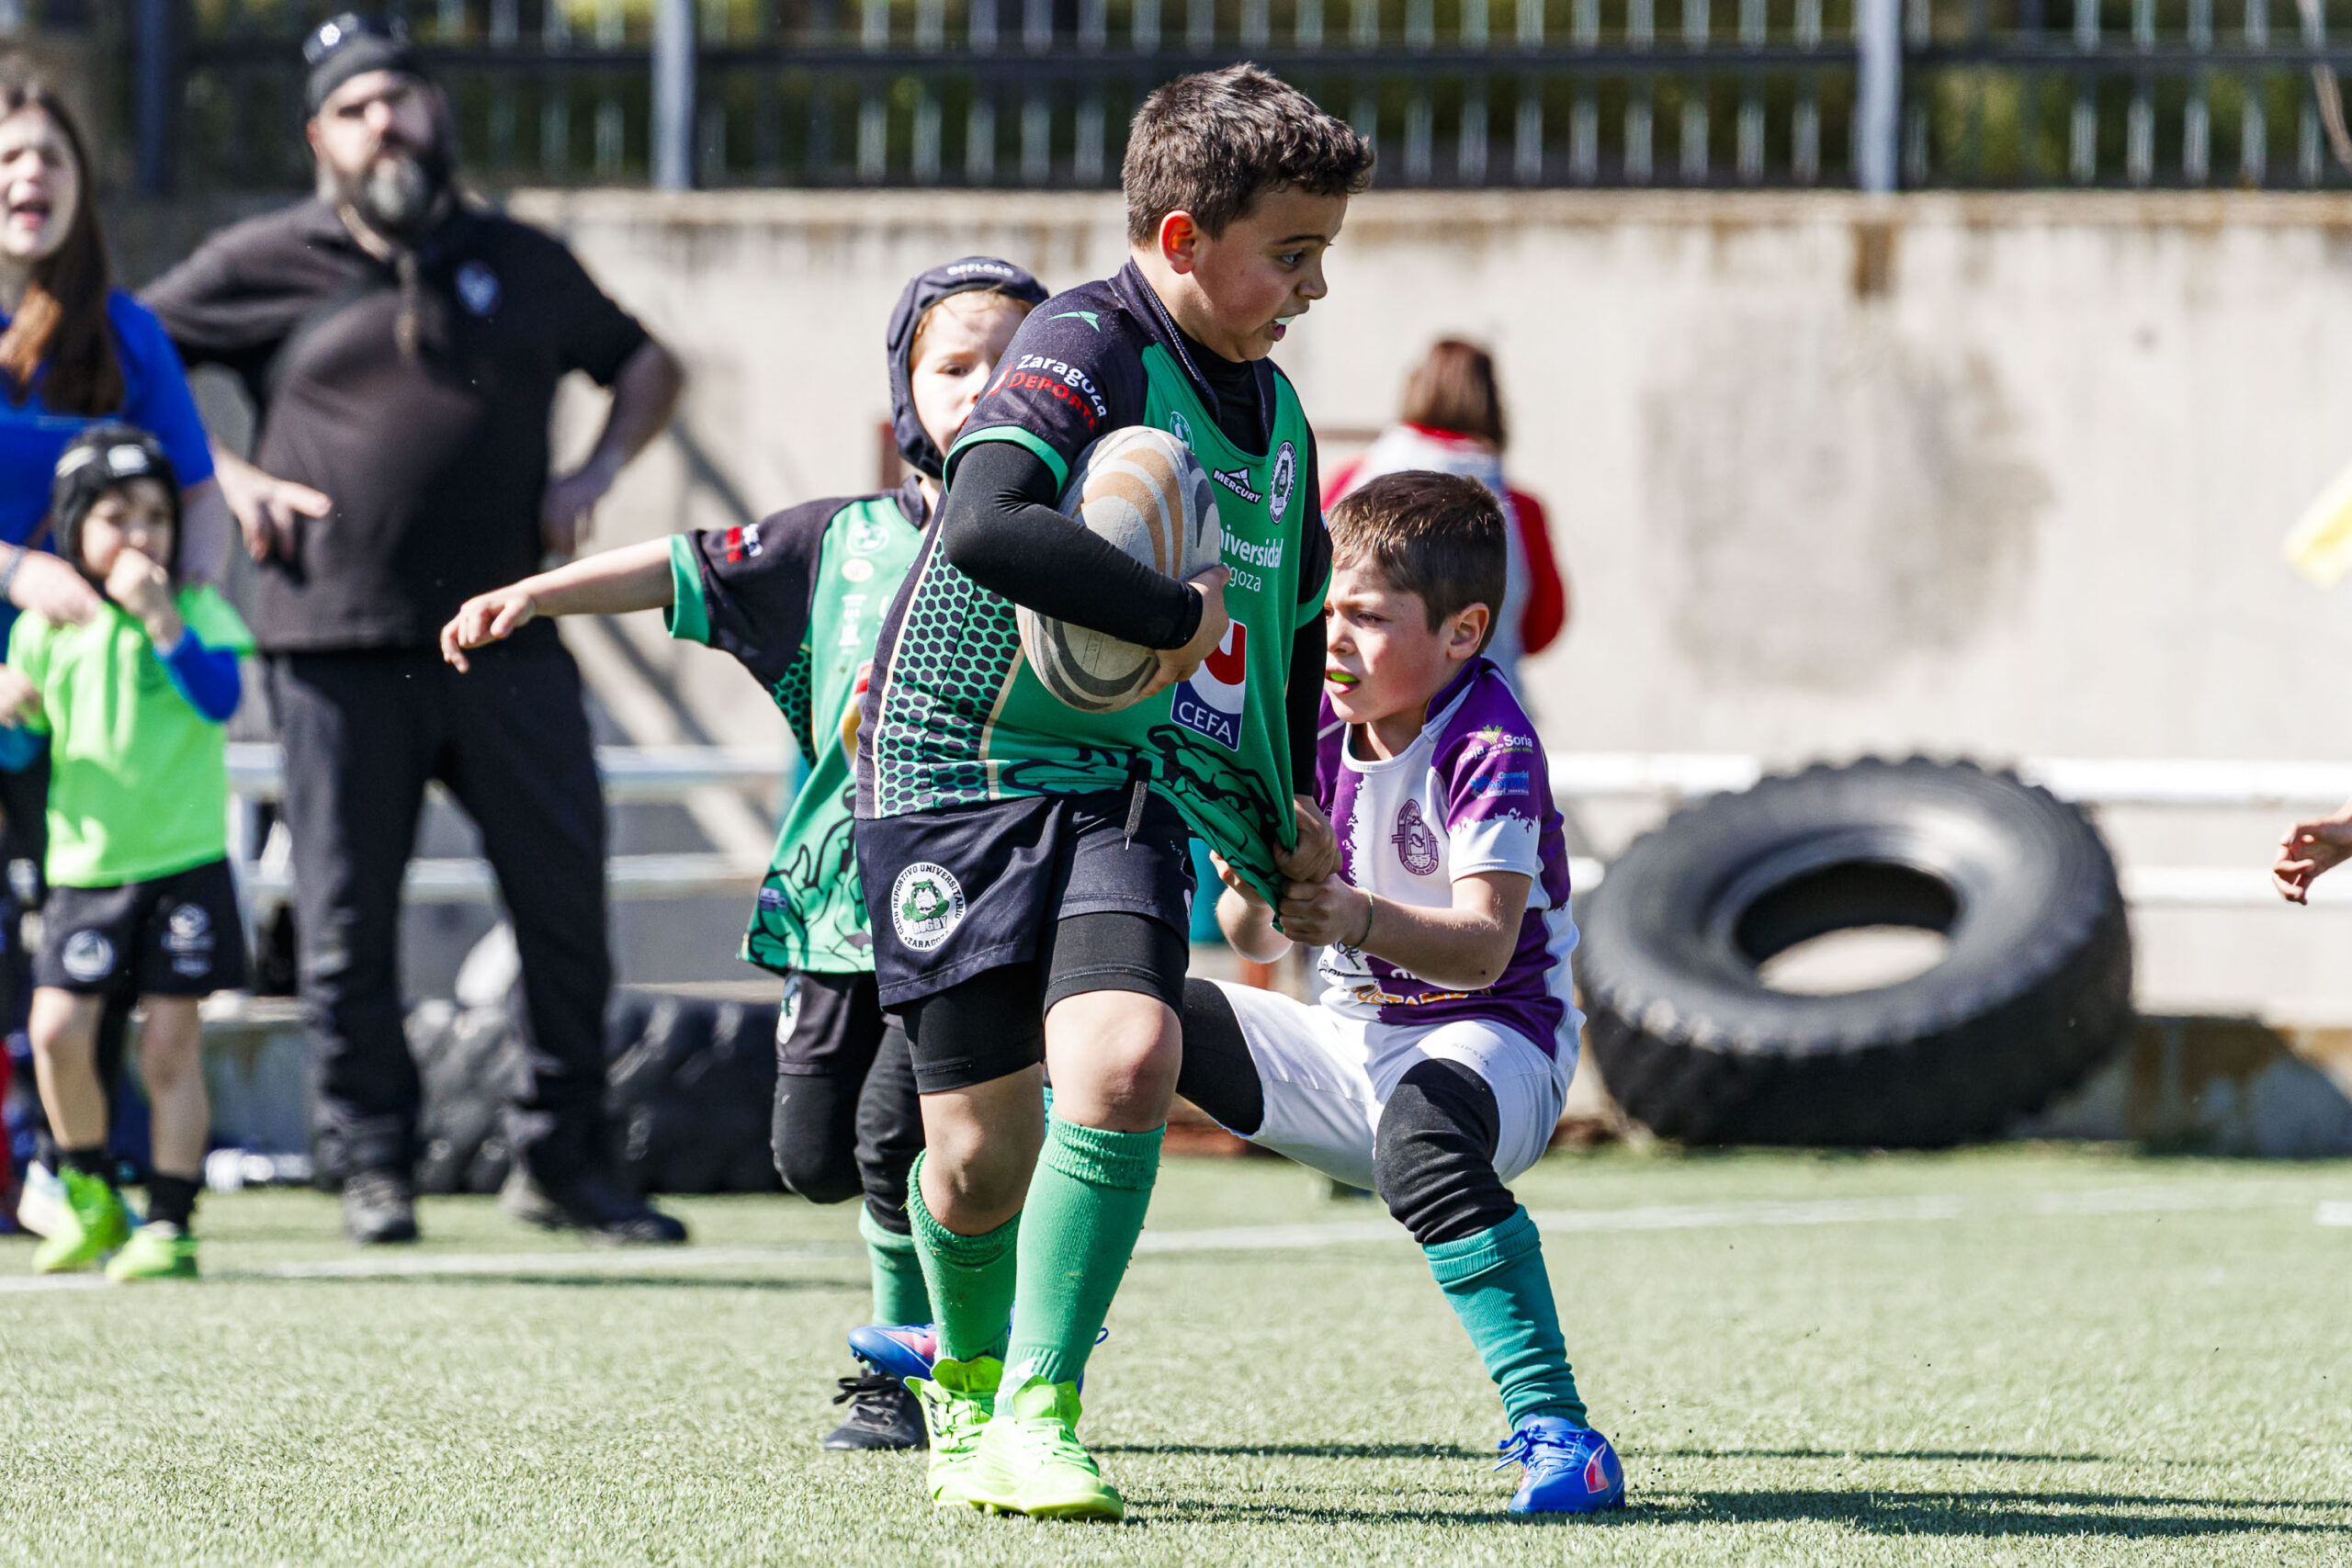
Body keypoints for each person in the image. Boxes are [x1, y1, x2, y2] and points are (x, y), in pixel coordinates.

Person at [853, 64, 1370, 1520]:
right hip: (952, 759)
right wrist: (1162, 613)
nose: (1317, 287)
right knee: (970, 1159)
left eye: (1327, 251)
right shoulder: (1089, 340)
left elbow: (1268, 645)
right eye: (1294, 252)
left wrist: (1282, 821)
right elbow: (983, 520)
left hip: (1115, 773)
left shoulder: (1276, 422)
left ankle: (1039, 1404)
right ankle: (958, 1381)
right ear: (1187, 236)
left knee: (1132, 1056)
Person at [442, 256, 1048, 1449]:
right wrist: (533, 593)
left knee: (894, 1135)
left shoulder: (1070, 545)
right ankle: (979, 1300)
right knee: (813, 1151)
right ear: (905, 392)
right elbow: (682, 566)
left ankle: (914, 1374)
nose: (982, 386)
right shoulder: (836, 544)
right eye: (954, 364)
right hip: (841, 906)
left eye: (1013, 363)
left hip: (979, 891)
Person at [141, 15, 687, 1246]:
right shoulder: (261, 260)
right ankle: (373, 1161)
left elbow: (648, 363)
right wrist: (223, 479)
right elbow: (132, 359)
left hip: (507, 631)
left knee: (562, 903)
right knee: (343, 918)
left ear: (437, 115)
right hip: (334, 643)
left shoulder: (520, 258)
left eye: (400, 97)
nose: (384, 120)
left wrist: (595, 467)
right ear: (319, 139)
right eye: (354, 107)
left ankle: (566, 1160)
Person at [1179, 469, 1624, 1515]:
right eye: (1331, 610)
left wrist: (1354, 914)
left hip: (1497, 1047)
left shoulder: (1491, 744)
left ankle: (1562, 1434)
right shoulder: (1308, 729)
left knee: (1421, 1138)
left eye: (1371, 618)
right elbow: (1251, 931)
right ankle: (1007, 1341)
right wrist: (1264, 884)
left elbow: (1479, 951)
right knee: (1119, 1025)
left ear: (1464, 632)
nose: (1335, 639)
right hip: (1349, 1048)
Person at [0, 425, 252, 1280]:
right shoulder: (45, 628)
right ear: (73, 530)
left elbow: (220, 699)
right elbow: (25, 753)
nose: (142, 534)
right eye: (116, 516)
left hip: (182, 861)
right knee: (57, 1031)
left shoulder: (199, 607)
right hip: (84, 869)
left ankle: (171, 1223)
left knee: (168, 1047)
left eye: (156, 514)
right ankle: (92, 1192)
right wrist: (10, 709)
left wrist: (165, 621)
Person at [1321, 339, 1566, 684]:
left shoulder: (1350, 480)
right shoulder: (1520, 508)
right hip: (1479, 707)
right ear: (1496, 404)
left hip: (1348, 695)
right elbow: (1542, 626)